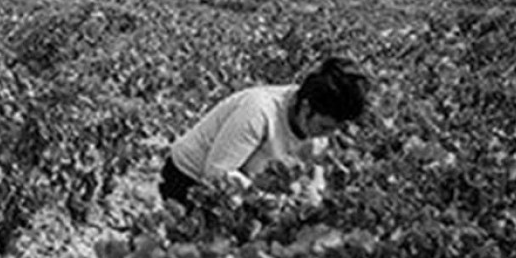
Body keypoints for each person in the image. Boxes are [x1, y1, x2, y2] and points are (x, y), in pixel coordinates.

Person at [159, 55, 370, 208]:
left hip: (245, 178)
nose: (329, 135)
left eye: (337, 128)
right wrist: (274, 201)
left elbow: (314, 172)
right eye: (325, 127)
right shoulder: (258, 110)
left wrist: (313, 194)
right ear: (305, 107)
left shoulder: (319, 122)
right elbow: (216, 174)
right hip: (188, 178)